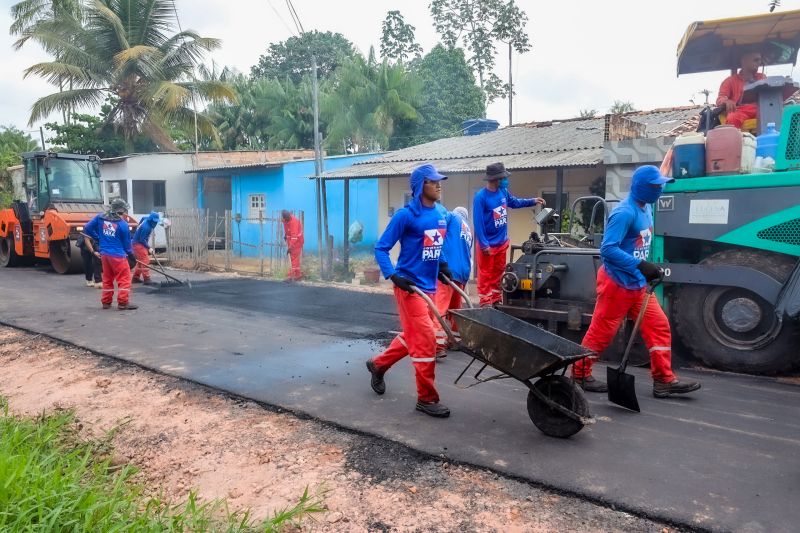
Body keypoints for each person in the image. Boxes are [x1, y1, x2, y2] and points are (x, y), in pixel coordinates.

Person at [571, 165, 701, 398]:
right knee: (601, 333)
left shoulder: (647, 207)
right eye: (655, 186)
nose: (660, 189)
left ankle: (663, 381)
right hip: (617, 283)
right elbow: (608, 250)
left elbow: (638, 245)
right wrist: (640, 265)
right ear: (642, 187)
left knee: (659, 326)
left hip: (638, 284)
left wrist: (648, 266)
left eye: (661, 185)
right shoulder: (624, 213)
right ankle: (580, 374)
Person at [366, 163, 453, 418]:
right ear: (419, 187)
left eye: (439, 181)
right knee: (425, 339)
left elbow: (436, 246)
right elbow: (381, 248)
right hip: (409, 287)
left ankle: (378, 364)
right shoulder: (405, 216)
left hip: (430, 287)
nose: (438, 185)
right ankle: (426, 398)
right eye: (432, 181)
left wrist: (442, 265)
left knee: (414, 335)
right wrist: (393, 275)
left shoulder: (440, 213)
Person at [473, 162, 544, 307]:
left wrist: (532, 201)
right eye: (504, 177)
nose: (506, 180)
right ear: (496, 179)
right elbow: (478, 223)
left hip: (501, 242)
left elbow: (514, 202)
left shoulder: (503, 192)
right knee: (486, 274)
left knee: (498, 272)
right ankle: (485, 303)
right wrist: (484, 244)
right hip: (488, 245)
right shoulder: (480, 197)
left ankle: (495, 299)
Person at [83, 198, 137, 310]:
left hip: (105, 255)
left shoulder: (100, 217)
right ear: (121, 211)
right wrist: (131, 255)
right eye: (124, 211)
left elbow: (87, 228)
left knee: (107, 278)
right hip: (118, 256)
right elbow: (127, 245)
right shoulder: (123, 225)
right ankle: (123, 303)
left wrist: (98, 237)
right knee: (124, 279)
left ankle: (106, 302)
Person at [433, 206, 472, 357]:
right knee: (455, 311)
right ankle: (454, 340)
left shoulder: (452, 217)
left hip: (448, 271)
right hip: (462, 274)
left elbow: (439, 223)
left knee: (440, 309)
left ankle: (437, 345)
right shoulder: (468, 228)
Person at [716, 50, 767, 130]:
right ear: (744, 61)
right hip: (741, 110)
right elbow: (720, 98)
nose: (759, 63)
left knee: (781, 112)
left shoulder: (762, 77)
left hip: (761, 108)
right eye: (756, 60)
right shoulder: (730, 81)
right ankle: (733, 141)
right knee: (732, 117)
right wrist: (726, 101)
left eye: (760, 60)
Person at [131, 211, 160, 286]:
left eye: (156, 222)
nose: (155, 223)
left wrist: (138, 227)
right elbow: (142, 239)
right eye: (154, 221)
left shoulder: (145, 219)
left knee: (141, 262)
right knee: (145, 260)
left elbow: (142, 218)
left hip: (137, 242)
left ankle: (135, 278)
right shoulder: (146, 227)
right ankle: (147, 279)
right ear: (151, 219)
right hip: (138, 243)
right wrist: (149, 248)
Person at [281, 210, 304, 281]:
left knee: (293, 258)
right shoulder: (285, 220)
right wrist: (286, 235)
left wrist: (290, 247)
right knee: (295, 258)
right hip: (291, 240)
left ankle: (291, 275)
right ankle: (298, 275)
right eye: (284, 219)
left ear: (289, 216)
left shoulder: (294, 222)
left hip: (297, 241)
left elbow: (294, 237)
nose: (285, 220)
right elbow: (287, 229)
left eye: (286, 219)